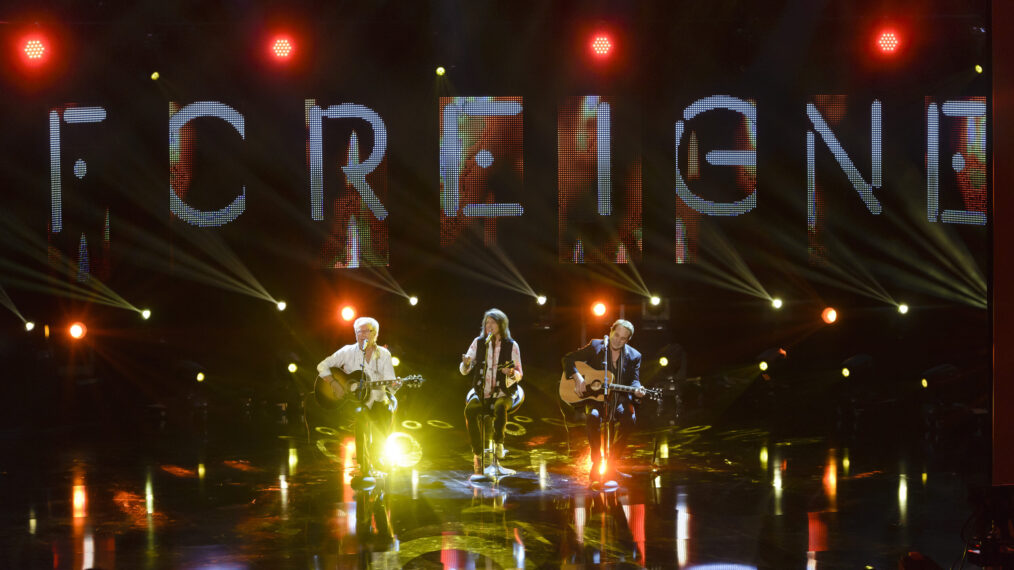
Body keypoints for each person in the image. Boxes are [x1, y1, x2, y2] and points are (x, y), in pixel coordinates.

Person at [562, 319, 645, 484]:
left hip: (620, 398)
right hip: (597, 398)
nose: (618, 340)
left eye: (623, 338)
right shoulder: (596, 346)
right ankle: (597, 462)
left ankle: (612, 462)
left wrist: (638, 389)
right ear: (611, 332)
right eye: (616, 335)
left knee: (630, 419)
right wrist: (578, 378)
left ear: (628, 340)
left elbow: (634, 380)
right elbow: (568, 359)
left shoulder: (635, 356)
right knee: (592, 417)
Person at [316, 317, 400, 482]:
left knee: (382, 423)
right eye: (358, 332)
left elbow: (391, 384)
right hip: (355, 402)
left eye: (365, 331)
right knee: (361, 416)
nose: (361, 335)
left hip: (378, 400)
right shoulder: (347, 351)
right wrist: (333, 382)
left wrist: (395, 384)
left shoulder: (384, 354)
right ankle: (364, 467)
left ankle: (378, 460)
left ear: (374, 334)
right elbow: (322, 366)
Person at [459, 308, 524, 476]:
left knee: (500, 407)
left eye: (493, 322)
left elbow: (519, 373)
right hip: (482, 391)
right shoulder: (479, 342)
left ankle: (499, 445)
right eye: (487, 323)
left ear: (501, 325)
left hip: (504, 392)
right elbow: (465, 370)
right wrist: (466, 363)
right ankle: (477, 452)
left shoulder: (511, 345)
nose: (489, 325)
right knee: (470, 410)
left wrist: (511, 373)